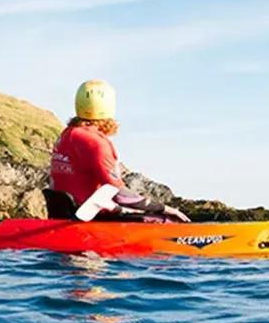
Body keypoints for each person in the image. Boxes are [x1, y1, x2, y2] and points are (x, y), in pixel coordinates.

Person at [49, 79, 190, 222]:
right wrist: (166, 209)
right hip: (90, 220)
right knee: (167, 221)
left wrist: (122, 209)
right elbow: (121, 196)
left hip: (66, 215)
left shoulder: (67, 135)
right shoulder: (96, 144)